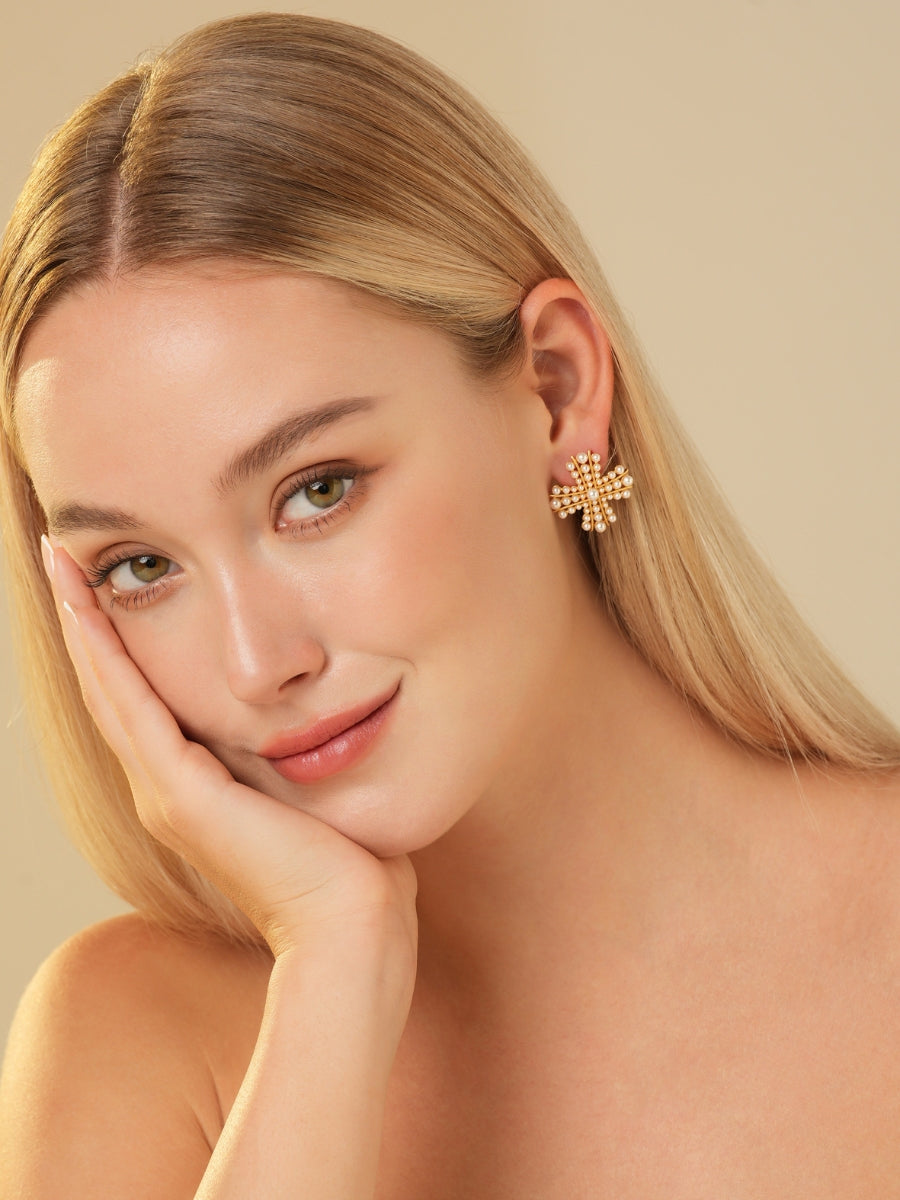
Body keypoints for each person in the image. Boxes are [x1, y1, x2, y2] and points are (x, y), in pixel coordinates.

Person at [1, 11, 899, 1196]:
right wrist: (335, 960)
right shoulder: (137, 1041)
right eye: (139, 567)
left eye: (317, 491)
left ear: (557, 390)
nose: (256, 662)